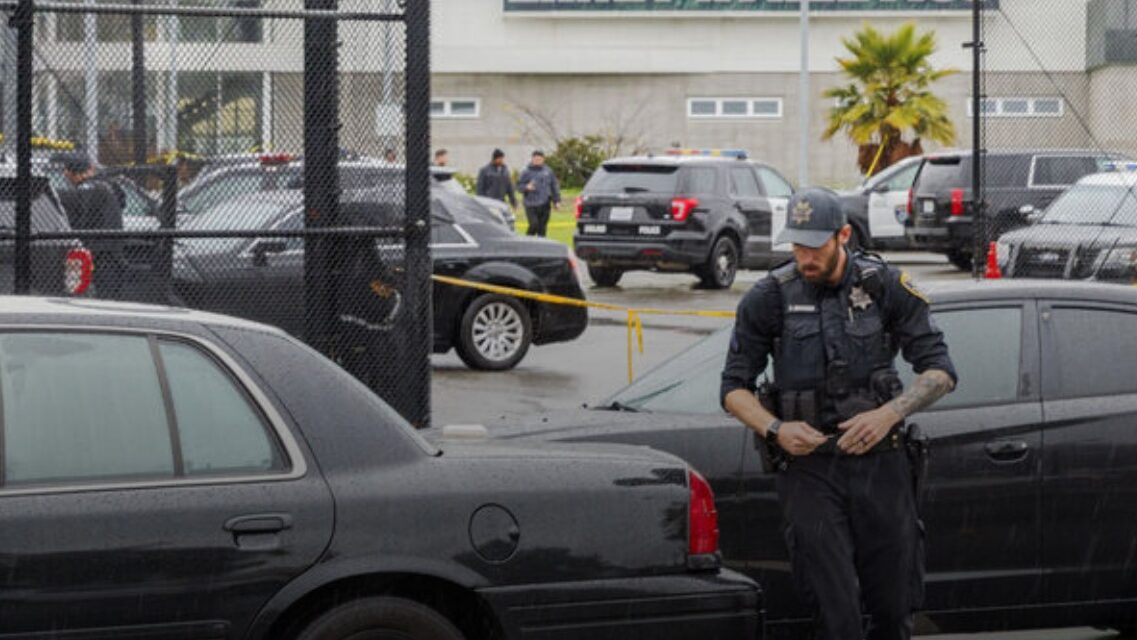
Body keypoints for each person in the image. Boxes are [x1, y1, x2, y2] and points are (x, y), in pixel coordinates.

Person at [720, 187, 957, 640]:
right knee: (837, 614)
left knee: (893, 608)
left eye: (815, 244)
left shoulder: (885, 286)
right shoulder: (769, 297)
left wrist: (889, 413)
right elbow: (733, 389)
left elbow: (940, 371)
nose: (805, 255)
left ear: (843, 235)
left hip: (881, 465)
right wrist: (775, 429)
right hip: (810, 469)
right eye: (797, 244)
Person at [54, 151, 128, 300]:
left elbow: (80, 221)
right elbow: (122, 201)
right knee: (110, 298)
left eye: (66, 171)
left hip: (99, 256)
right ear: (90, 168)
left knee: (100, 298)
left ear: (69, 172)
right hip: (112, 254)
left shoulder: (87, 190)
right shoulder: (107, 186)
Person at [516, 150, 560, 237]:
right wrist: (526, 187)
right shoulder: (526, 172)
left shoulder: (548, 171)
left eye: (539, 159)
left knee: (542, 228)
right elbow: (518, 187)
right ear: (532, 159)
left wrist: (556, 201)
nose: (537, 161)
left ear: (543, 159)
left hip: (545, 203)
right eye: (535, 159)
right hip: (531, 204)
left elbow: (554, 186)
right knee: (534, 225)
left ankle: (541, 247)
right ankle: (526, 241)